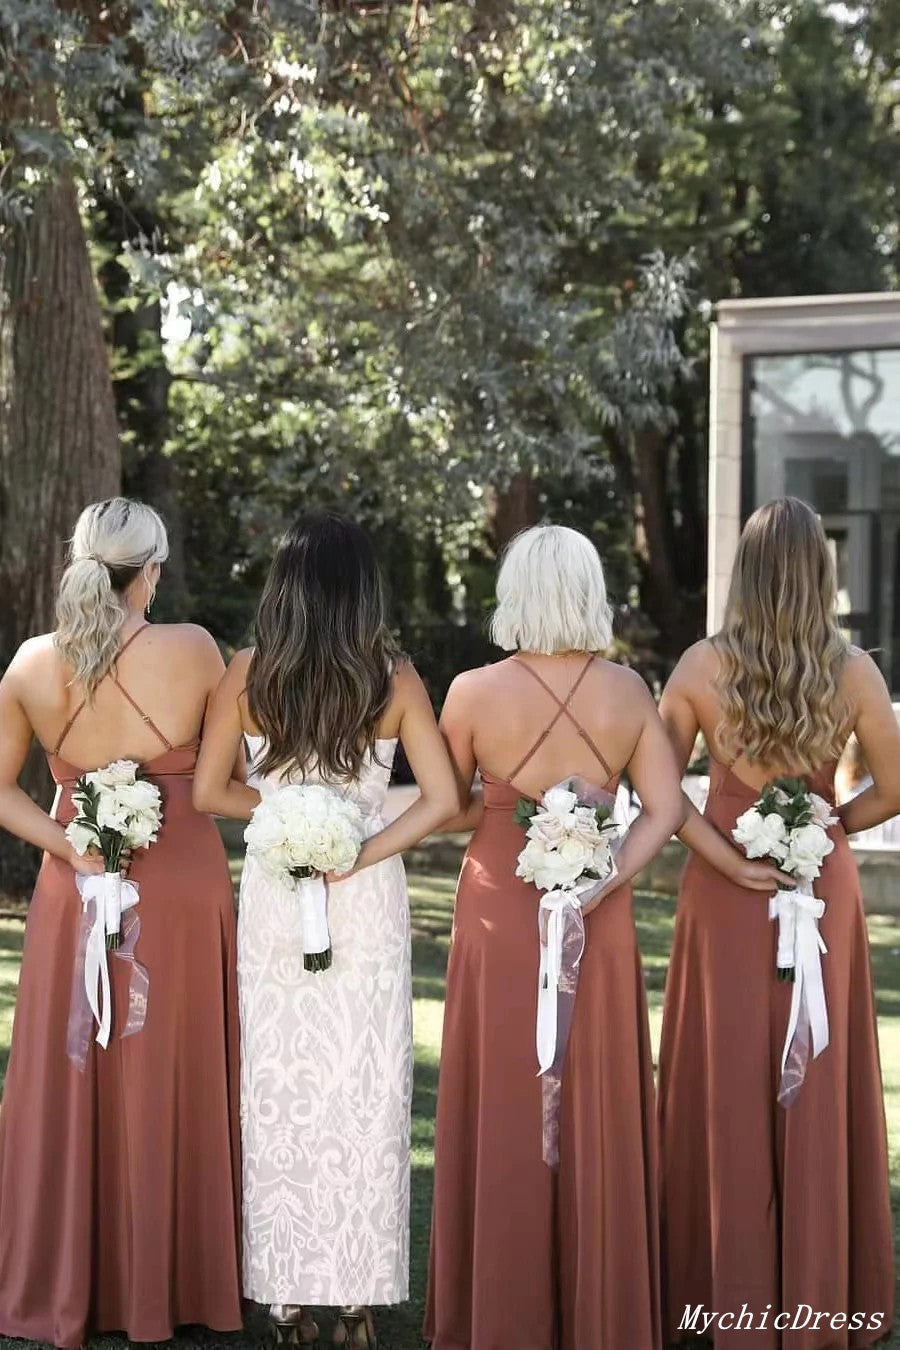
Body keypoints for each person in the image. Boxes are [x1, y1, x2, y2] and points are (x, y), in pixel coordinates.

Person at [193, 509, 458, 1350]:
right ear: (362, 589)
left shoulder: (247, 672)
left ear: (285, 586)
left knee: (276, 1084)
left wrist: (281, 813)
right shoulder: (394, 677)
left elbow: (209, 792)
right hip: (365, 896)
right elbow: (447, 800)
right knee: (364, 1086)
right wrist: (361, 843)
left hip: (277, 892)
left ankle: (284, 1300)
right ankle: (356, 1304)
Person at [424, 523, 684, 1350]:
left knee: (502, 1088)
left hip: (500, 907)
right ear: (587, 592)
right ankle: (597, 1305)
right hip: (593, 920)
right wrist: (608, 879)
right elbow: (666, 810)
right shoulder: (629, 690)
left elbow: (453, 800)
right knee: (593, 1089)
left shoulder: (469, 690)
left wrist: (504, 807)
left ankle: (496, 1309)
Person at [0, 497, 243, 1349]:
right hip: (180, 883)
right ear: (153, 571)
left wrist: (72, 846)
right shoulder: (196, 650)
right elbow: (231, 770)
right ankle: (174, 1280)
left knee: (79, 1074)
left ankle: (74, 1276)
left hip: (77, 892)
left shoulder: (32, 663)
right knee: (172, 1069)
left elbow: (1, 793)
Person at [658, 497, 898, 1348]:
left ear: (745, 572)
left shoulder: (696, 667)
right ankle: (814, 1294)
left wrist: (727, 856)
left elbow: (656, 795)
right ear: (822, 574)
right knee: (818, 1072)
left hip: (724, 894)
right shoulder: (855, 670)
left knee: (724, 1077)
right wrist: (829, 829)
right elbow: (893, 787)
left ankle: (715, 1291)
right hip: (818, 889)